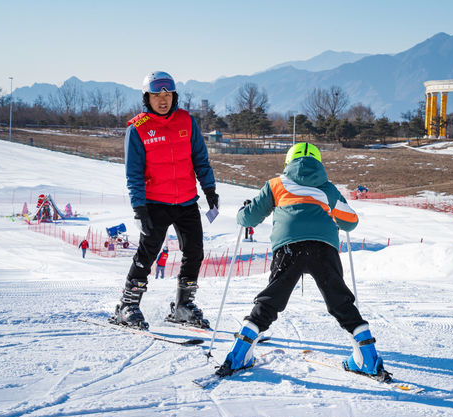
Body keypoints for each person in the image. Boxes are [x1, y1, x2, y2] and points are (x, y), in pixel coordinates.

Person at [216, 143, 390, 381]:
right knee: (340, 301)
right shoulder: (327, 188)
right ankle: (368, 359)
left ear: (288, 162)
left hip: (288, 247)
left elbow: (248, 218)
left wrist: (243, 211)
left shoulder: (276, 184)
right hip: (323, 248)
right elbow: (350, 222)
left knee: (270, 300)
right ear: (318, 162)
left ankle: (239, 356)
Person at [110, 71, 219, 330]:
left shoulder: (186, 122)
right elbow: (133, 174)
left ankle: (183, 306)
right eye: (157, 95)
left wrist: (210, 190)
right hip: (154, 203)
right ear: (147, 97)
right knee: (147, 254)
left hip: (186, 202)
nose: (163, 100)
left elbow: (200, 159)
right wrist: (139, 208)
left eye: (167, 95)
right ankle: (128, 305)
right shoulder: (137, 128)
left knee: (195, 252)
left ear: (174, 97)